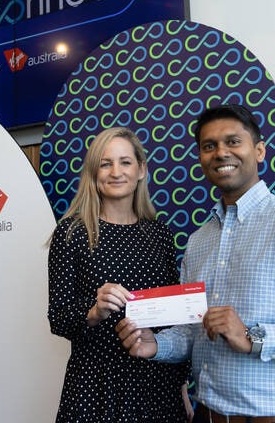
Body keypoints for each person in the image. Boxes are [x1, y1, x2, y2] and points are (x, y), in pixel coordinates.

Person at [116, 105, 275, 423]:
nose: (221, 152)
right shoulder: (199, 241)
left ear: (259, 151)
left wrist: (254, 337)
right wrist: (156, 344)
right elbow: (194, 331)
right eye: (209, 146)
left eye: (233, 141)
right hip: (209, 415)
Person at [47, 127, 192, 422]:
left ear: (141, 170)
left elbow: (173, 322)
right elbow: (58, 319)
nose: (116, 172)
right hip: (95, 385)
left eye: (125, 162)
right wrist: (93, 310)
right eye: (106, 163)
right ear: (93, 172)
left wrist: (182, 388)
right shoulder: (72, 233)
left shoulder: (159, 234)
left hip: (156, 383)